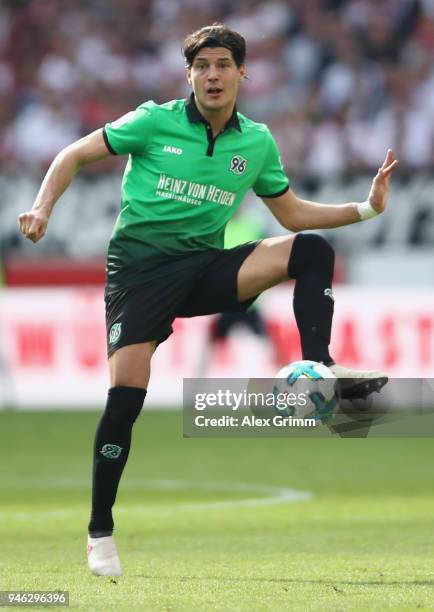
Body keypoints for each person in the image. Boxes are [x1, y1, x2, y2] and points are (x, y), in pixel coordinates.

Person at [18, 24, 398, 577]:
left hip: (204, 266)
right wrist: (43, 207)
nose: (213, 75)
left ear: (243, 72)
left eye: (223, 64)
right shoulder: (154, 120)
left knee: (310, 250)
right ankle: (100, 530)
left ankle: (318, 364)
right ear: (189, 75)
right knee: (125, 400)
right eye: (202, 67)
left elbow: (291, 215)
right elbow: (73, 154)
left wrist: (365, 209)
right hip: (140, 274)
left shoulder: (256, 141)